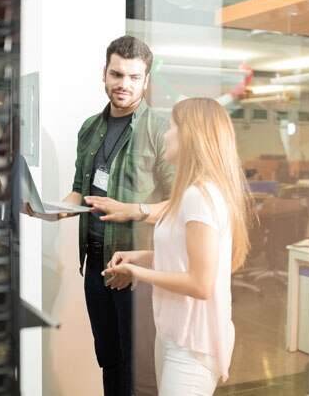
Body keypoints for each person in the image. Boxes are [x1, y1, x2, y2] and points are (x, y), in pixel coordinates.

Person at [26, 35, 174, 396]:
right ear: (104, 74)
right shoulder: (90, 127)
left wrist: (134, 211)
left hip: (138, 268)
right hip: (95, 264)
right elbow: (80, 188)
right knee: (108, 358)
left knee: (139, 368)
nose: (124, 84)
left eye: (134, 77)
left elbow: (178, 202)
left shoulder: (160, 130)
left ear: (146, 80)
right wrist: (55, 211)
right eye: (117, 74)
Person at [102, 97, 254, 395]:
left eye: (171, 127)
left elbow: (200, 283)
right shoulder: (190, 194)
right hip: (172, 334)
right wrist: (142, 258)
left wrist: (138, 273)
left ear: (190, 135)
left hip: (192, 346)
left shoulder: (201, 196)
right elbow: (183, 259)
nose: (165, 134)